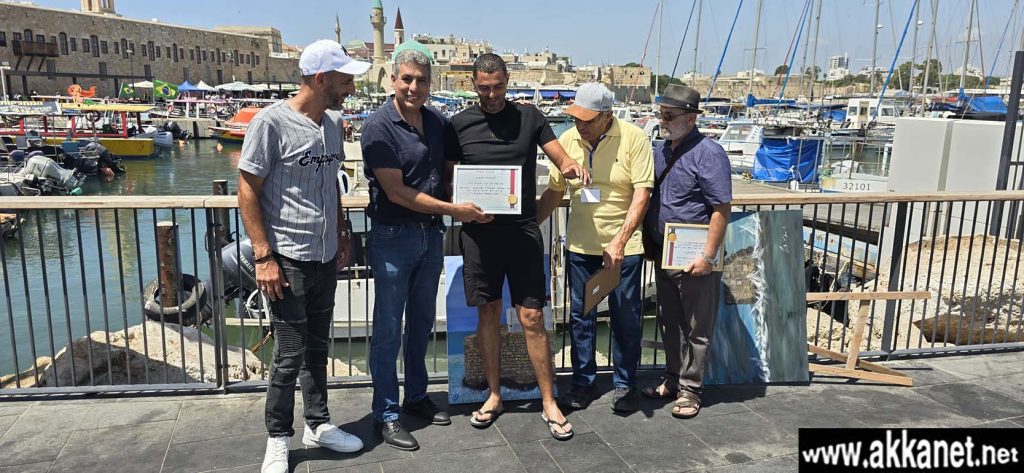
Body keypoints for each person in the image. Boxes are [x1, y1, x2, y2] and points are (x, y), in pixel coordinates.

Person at [237, 39, 369, 473]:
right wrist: (263, 257)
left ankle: (318, 423)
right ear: (321, 79)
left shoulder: (332, 124)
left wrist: (342, 231)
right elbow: (247, 189)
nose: (351, 88)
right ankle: (278, 437)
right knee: (289, 352)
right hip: (286, 259)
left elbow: (332, 183)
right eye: (345, 80)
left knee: (317, 346)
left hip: (325, 256)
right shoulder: (270, 123)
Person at [449, 53, 589, 440]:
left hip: (523, 233)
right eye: (484, 88)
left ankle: (549, 400)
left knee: (532, 317)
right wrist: (460, 206)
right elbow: (448, 181)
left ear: (508, 81)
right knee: (488, 313)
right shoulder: (458, 124)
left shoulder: (531, 117)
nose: (492, 94)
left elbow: (559, 156)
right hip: (479, 236)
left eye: (498, 86)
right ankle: (494, 396)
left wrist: (570, 166)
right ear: (473, 85)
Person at [361, 42, 491, 451]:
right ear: (393, 80)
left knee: (420, 323)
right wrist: (457, 209)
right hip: (392, 237)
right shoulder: (378, 127)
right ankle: (386, 413)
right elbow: (396, 191)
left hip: (430, 235)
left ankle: (415, 396)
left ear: (430, 83)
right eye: (407, 79)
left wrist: (491, 194)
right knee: (388, 329)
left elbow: (451, 173)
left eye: (421, 80)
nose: (413, 87)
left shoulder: (436, 122)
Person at [537, 83, 653, 413]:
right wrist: (529, 226)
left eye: (587, 119)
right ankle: (583, 382)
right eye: (576, 117)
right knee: (581, 318)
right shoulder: (567, 140)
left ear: (607, 116)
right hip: (580, 247)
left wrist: (619, 241)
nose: (580, 125)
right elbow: (554, 192)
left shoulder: (634, 138)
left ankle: (625, 384)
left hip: (623, 249)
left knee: (625, 317)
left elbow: (642, 194)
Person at [640, 85, 731, 419]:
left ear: (691, 119)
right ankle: (673, 378)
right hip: (665, 253)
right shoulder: (661, 151)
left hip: (694, 256)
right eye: (661, 114)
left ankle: (691, 391)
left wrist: (707, 256)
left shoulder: (710, 153)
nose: (662, 121)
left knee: (697, 328)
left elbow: (721, 208)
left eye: (669, 116)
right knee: (670, 323)